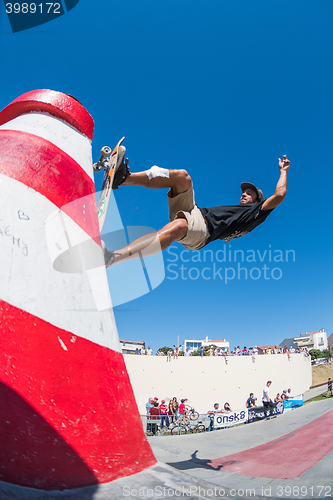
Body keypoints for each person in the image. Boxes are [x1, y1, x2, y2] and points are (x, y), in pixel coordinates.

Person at [103, 152, 291, 267]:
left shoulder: (257, 212)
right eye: (244, 192)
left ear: (258, 201)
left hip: (203, 232)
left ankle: (113, 258)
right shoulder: (240, 217)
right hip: (196, 212)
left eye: (249, 194)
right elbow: (231, 233)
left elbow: (280, 196)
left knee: (178, 227)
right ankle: (123, 179)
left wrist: (283, 171)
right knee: (183, 177)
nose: (244, 195)